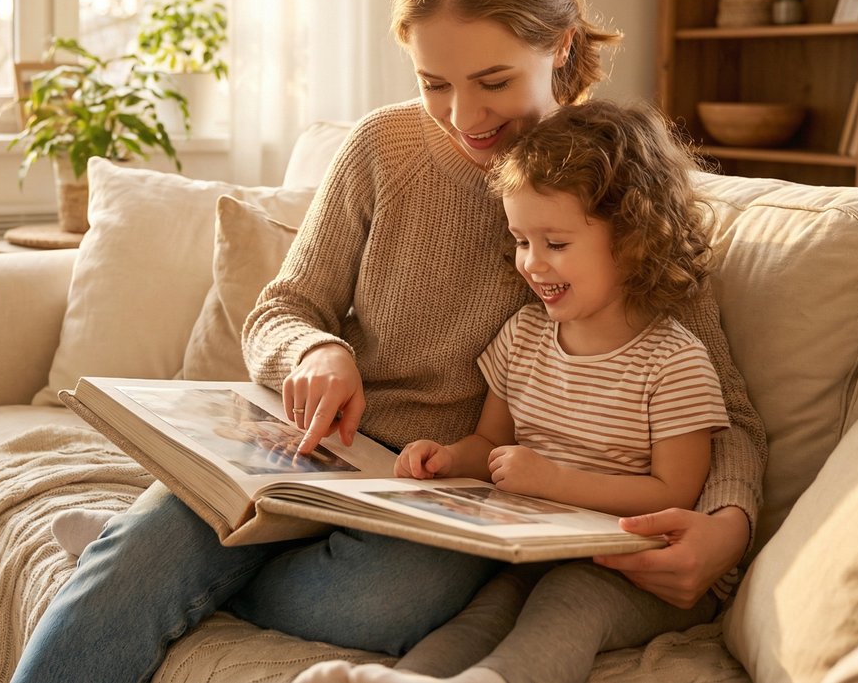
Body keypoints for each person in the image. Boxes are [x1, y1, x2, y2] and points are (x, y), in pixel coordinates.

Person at [10, 0, 766, 683]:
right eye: (435, 83)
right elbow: (282, 307)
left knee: (385, 606)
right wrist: (318, 348)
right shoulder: (381, 148)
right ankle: (144, 556)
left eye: (494, 81)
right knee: (140, 559)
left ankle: (178, 573)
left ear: (562, 43)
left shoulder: (617, 188)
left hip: (438, 494)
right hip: (302, 451)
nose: (465, 117)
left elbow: (727, 411)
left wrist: (727, 530)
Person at [294, 100, 729, 683]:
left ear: (632, 239)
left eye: (555, 242)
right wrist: (448, 458)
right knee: (487, 607)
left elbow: (675, 491)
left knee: (569, 599)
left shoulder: (673, 362)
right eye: (521, 240)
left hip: (633, 565)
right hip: (537, 549)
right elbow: (489, 443)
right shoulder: (523, 336)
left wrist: (553, 481)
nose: (532, 263)